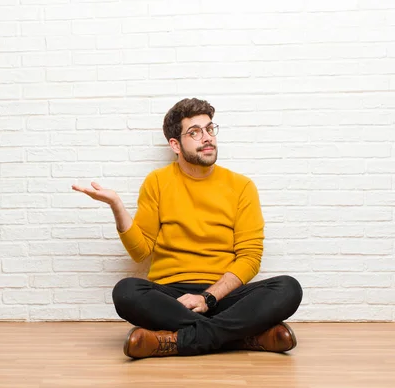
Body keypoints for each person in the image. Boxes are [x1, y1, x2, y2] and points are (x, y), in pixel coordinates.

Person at [72, 97, 303, 359]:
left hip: (223, 295)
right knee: (126, 292)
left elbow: (250, 257)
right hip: (173, 299)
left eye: (209, 129)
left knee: (288, 288)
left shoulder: (241, 186)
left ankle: (172, 341)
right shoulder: (157, 182)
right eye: (194, 132)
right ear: (175, 145)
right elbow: (140, 251)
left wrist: (208, 298)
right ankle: (244, 336)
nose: (207, 138)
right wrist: (116, 205)